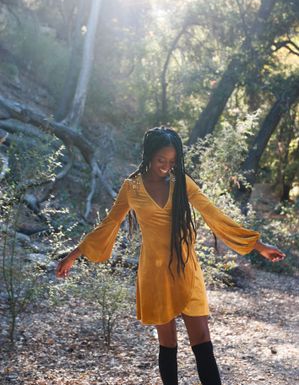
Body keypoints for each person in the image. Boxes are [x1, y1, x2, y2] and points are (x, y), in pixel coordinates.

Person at [56, 126, 286, 385]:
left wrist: (258, 245)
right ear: (148, 156)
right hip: (154, 274)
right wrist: (74, 255)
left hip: (186, 268)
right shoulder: (131, 187)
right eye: (161, 160)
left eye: (172, 161)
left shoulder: (181, 183)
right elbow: (108, 225)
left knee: (202, 342)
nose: (166, 167)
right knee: (168, 346)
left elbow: (214, 216)